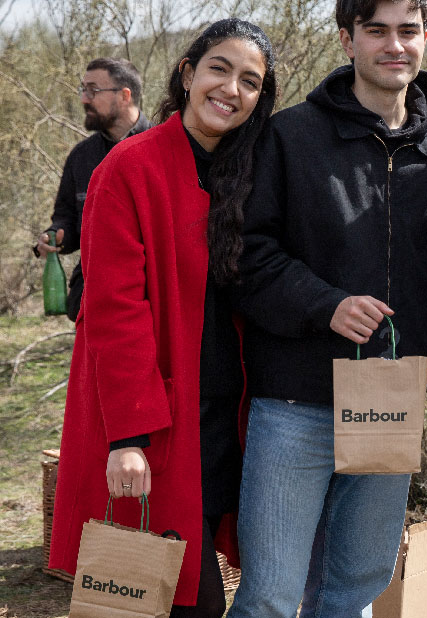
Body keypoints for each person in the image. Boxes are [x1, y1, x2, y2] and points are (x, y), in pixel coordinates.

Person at [226, 0, 427, 616]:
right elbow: (244, 258)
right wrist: (325, 304)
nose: (394, 45)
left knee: (354, 593)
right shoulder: (290, 135)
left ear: (425, 39)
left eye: (408, 31)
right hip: (295, 407)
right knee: (271, 597)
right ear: (346, 40)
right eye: (376, 30)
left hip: (391, 403)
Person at [48, 19, 277, 617]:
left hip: (223, 423)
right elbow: (114, 311)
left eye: (250, 80)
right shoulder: (131, 167)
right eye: (219, 69)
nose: (231, 88)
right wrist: (127, 439)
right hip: (158, 426)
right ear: (188, 73)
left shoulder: (245, 172)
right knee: (176, 599)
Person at [32, 57, 151, 322]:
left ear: (124, 95)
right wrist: (55, 236)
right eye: (83, 90)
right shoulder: (81, 157)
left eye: (93, 90)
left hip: (150, 302)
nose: (84, 99)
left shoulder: (163, 150)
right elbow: (66, 218)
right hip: (92, 302)